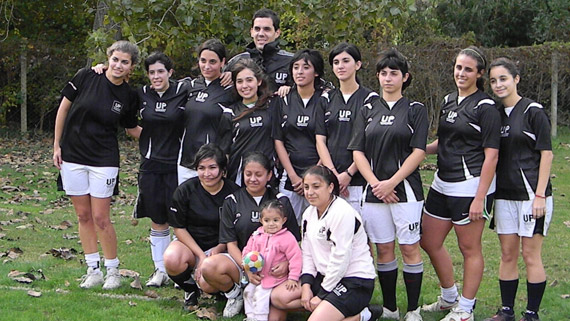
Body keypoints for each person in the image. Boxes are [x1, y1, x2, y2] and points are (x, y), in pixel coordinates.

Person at [420, 46, 501, 321]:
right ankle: (449, 298)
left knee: (469, 249)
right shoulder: (448, 100)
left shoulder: (486, 107)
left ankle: (466, 309)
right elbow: (443, 141)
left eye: (468, 69)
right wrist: (418, 150)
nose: (461, 73)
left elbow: (492, 156)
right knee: (428, 240)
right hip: (442, 181)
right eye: (458, 67)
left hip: (470, 185)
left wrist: (480, 198)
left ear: (479, 74)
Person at [53, 40, 140, 290]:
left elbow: (131, 128)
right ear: (108, 58)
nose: (118, 65)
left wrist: (163, 135)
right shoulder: (86, 76)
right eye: (115, 59)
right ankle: (93, 270)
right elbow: (63, 109)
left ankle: (113, 270)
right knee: (83, 215)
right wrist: (57, 145)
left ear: (131, 67)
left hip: (104, 160)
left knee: (101, 217)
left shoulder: (129, 95)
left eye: (125, 62)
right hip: (73, 156)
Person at [349, 48, 428, 321]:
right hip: (374, 193)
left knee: (409, 248)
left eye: (394, 73)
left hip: (405, 191)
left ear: (405, 77)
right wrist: (375, 184)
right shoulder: (367, 109)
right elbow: (357, 151)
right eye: (383, 73)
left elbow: (418, 151)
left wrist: (391, 183)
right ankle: (391, 309)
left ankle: (413, 310)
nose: (387, 78)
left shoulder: (416, 110)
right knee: (383, 249)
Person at [483, 58, 553, 321]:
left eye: (503, 78)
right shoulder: (494, 114)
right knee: (508, 253)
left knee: (530, 254)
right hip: (504, 196)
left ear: (516, 79)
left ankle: (531, 314)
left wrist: (539, 195)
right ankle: (507, 311)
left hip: (531, 197)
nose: (498, 84)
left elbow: (546, 154)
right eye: (493, 80)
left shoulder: (533, 111)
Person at [198, 152, 300, 318]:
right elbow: (230, 243)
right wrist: (248, 268)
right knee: (209, 267)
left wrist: (287, 264)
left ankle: (265, 300)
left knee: (274, 318)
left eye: (258, 174)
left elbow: (294, 241)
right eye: (248, 174)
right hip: (242, 263)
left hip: (275, 270)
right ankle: (235, 294)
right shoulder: (232, 201)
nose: (253, 179)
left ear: (269, 175)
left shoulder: (281, 201)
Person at [274, 165, 381, 321]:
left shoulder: (342, 212)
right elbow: (307, 252)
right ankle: (330, 309)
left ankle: (363, 315)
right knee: (278, 297)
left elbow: (341, 258)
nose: (310, 192)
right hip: (324, 277)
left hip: (354, 281)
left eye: (316, 187)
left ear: (330, 187)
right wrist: (306, 286)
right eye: (306, 187)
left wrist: (322, 295)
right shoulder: (308, 213)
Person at [132, 52, 190, 287]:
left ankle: (178, 270)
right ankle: (160, 270)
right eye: (152, 72)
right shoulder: (141, 94)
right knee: (157, 219)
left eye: (160, 71)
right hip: (151, 166)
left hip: (177, 165)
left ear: (170, 72)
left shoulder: (184, 90)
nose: (156, 76)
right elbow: (127, 122)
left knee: (178, 219)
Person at [163, 144, 239, 310]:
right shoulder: (185, 191)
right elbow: (179, 228)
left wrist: (219, 248)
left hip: (221, 248)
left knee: (207, 284)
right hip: (192, 245)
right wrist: (200, 255)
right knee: (171, 258)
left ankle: (226, 291)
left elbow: (236, 230)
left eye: (212, 168)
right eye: (201, 168)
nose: (207, 174)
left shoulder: (234, 193)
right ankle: (190, 290)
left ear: (222, 170)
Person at [316, 42, 373, 211]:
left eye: (346, 61)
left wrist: (348, 174)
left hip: (358, 181)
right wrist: (333, 174)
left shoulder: (370, 99)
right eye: (336, 62)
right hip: (331, 181)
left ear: (358, 64)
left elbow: (369, 142)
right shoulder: (326, 99)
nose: (340, 66)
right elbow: (320, 140)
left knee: (360, 235)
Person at [274, 49, 326, 222]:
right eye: (295, 67)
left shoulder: (326, 99)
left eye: (306, 67)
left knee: (320, 231)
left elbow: (329, 139)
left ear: (316, 72)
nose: (300, 71)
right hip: (291, 178)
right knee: (287, 231)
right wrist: (295, 177)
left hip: (319, 174)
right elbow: (279, 141)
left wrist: (313, 174)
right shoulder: (284, 99)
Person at [178, 39, 235, 184]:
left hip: (213, 166)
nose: (207, 66)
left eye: (213, 62)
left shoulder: (231, 90)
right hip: (187, 162)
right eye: (203, 61)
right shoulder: (189, 86)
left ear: (223, 62)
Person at [242, 199, 303, 321]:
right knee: (248, 292)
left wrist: (293, 277)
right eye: (267, 220)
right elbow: (247, 251)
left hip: (275, 278)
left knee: (260, 295)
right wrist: (246, 263)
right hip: (259, 275)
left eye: (276, 220)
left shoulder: (287, 238)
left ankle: (260, 317)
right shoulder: (256, 235)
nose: (271, 224)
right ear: (261, 221)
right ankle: (250, 316)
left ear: (283, 220)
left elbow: (296, 258)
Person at [218, 59, 276, 185]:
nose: (244, 86)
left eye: (249, 80)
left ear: (259, 81)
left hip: (267, 176)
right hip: (238, 177)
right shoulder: (230, 112)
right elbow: (225, 151)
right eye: (239, 81)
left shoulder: (272, 106)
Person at [222, 8, 293, 92]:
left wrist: (291, 90)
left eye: (267, 29)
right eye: (257, 29)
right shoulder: (237, 61)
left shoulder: (291, 62)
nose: (261, 34)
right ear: (251, 32)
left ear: (277, 33)